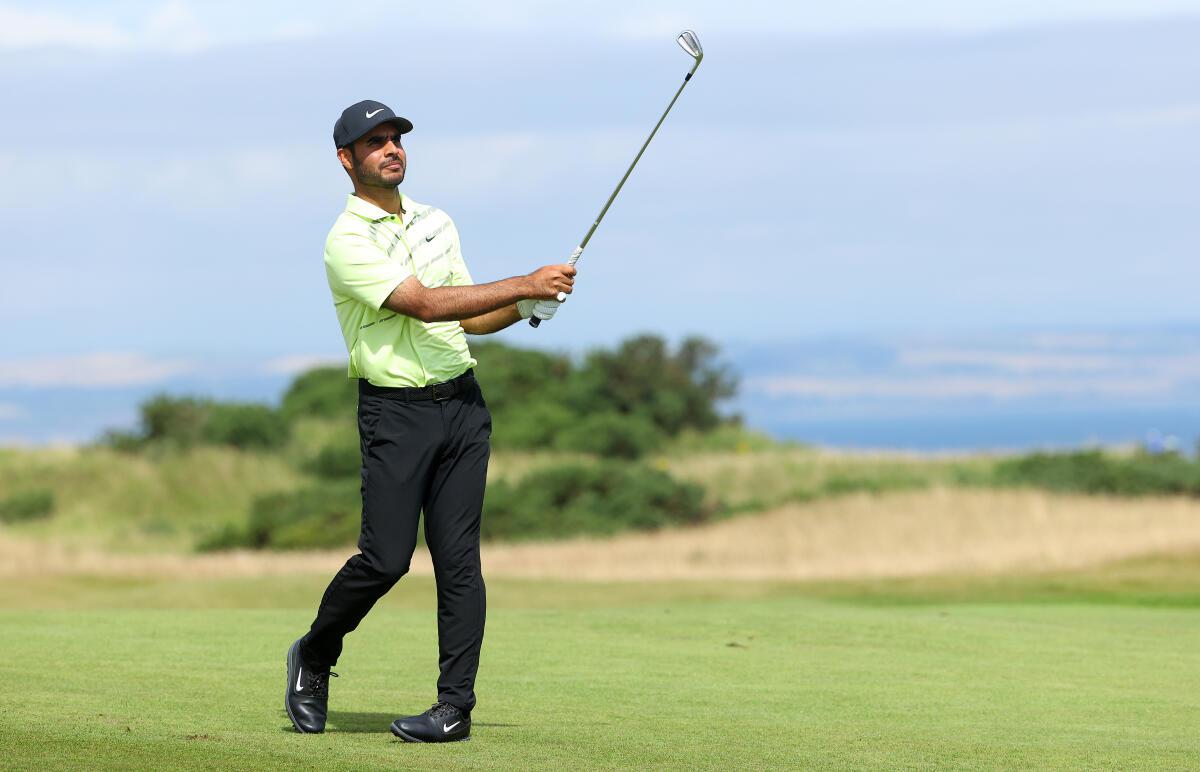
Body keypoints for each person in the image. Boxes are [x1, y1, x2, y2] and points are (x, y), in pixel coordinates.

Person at [284, 99, 576, 743]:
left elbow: (469, 316)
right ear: (347, 160)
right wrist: (522, 280)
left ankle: (454, 708)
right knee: (386, 560)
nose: (391, 149)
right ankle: (314, 654)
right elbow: (421, 304)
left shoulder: (437, 222)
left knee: (459, 562)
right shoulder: (347, 241)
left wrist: (530, 305)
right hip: (396, 414)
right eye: (375, 142)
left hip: (463, 408)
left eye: (396, 139)